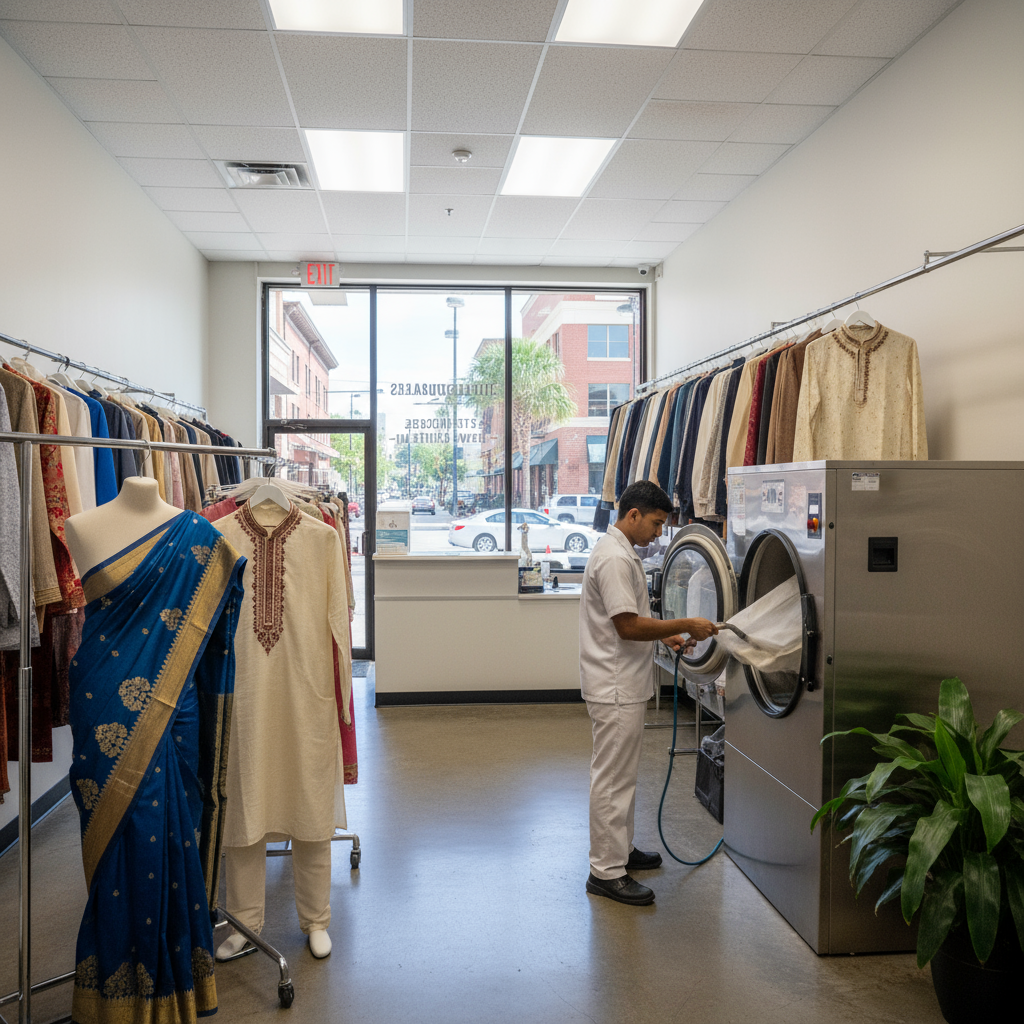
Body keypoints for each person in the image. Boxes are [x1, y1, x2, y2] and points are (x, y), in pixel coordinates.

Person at [580, 480, 718, 906]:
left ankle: (620, 851)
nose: (660, 533)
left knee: (622, 777)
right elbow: (627, 626)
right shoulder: (615, 559)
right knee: (612, 779)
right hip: (615, 685)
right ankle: (605, 871)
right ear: (633, 515)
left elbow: (635, 617)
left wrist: (668, 639)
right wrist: (682, 626)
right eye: (657, 524)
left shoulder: (622, 553)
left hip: (622, 682)